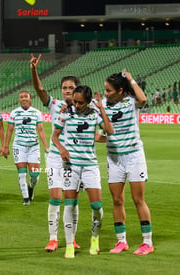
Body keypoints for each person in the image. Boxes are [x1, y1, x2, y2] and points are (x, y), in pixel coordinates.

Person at [52, 86, 113, 258]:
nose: (77, 105)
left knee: (97, 206)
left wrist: (101, 108)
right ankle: (70, 245)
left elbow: (108, 131)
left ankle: (95, 238)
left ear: (87, 101)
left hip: (90, 166)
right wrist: (61, 149)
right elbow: (54, 136)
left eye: (80, 102)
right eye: (75, 101)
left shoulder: (94, 114)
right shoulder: (65, 113)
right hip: (70, 165)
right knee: (69, 204)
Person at [30, 54, 81, 252]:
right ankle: (53, 238)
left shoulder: (85, 108)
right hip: (54, 158)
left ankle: (72, 238)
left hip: (75, 159)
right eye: (65, 88)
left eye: (71, 88)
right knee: (55, 197)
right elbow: (39, 89)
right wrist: (34, 70)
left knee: (72, 199)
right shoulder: (55, 105)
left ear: (77, 89)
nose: (67, 91)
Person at [101, 72, 154, 255]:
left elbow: (143, 99)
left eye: (109, 90)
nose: (106, 93)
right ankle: (121, 241)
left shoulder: (130, 102)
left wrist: (131, 79)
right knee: (117, 200)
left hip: (134, 157)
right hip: (114, 158)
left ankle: (147, 242)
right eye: (105, 90)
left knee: (138, 199)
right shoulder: (103, 106)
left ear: (120, 90)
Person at [3, 90, 48, 206]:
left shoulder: (36, 113)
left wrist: (46, 146)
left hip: (33, 147)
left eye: (25, 97)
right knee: (22, 173)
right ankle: (26, 198)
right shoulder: (14, 113)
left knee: (34, 174)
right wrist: (6, 146)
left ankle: (31, 187)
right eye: (21, 97)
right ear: (19, 99)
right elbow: (9, 130)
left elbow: (41, 130)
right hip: (19, 146)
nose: (23, 99)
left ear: (30, 98)